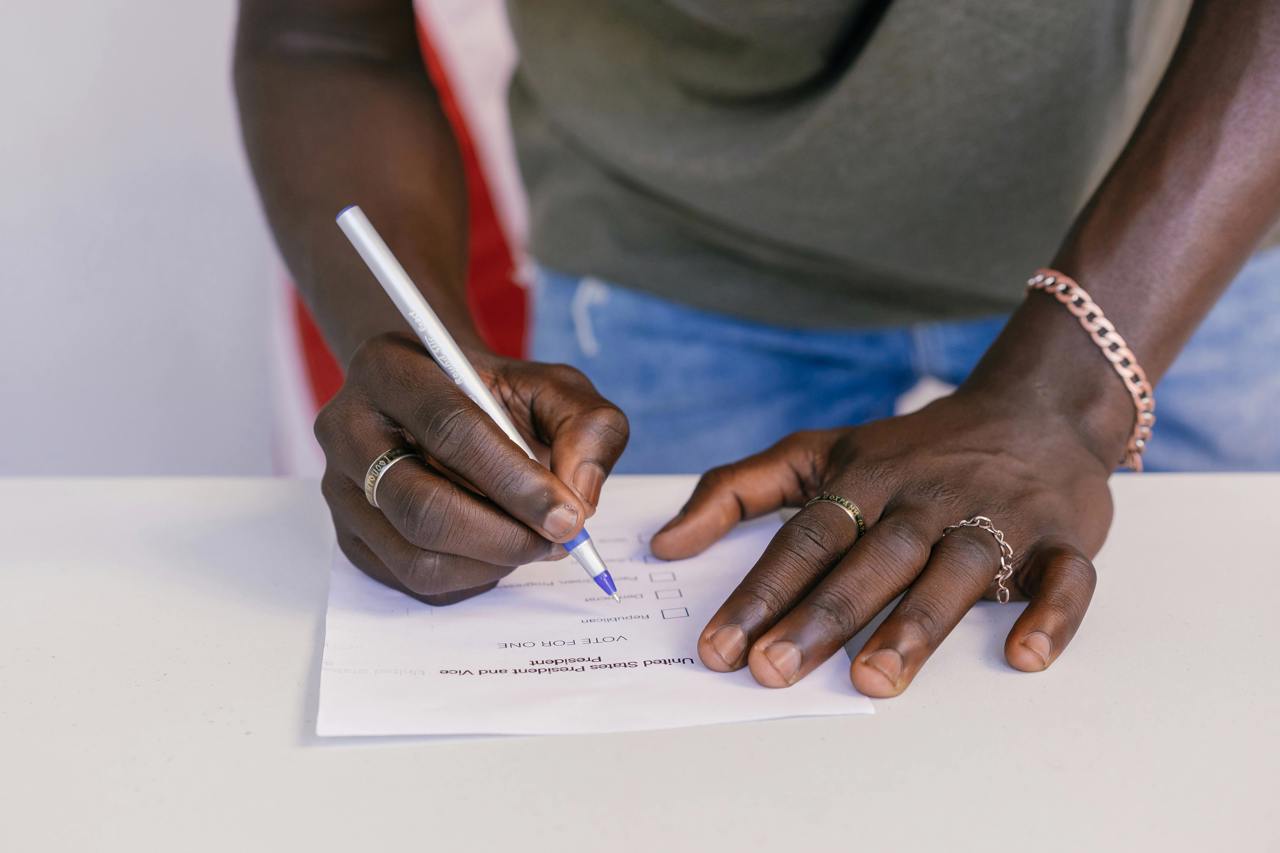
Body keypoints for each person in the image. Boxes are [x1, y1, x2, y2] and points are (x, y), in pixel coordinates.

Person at [235, 0, 1280, 698]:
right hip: (675, 254)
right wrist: (419, 374)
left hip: (1172, 226)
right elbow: (324, 37)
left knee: (1200, 702)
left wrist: (1070, 395)